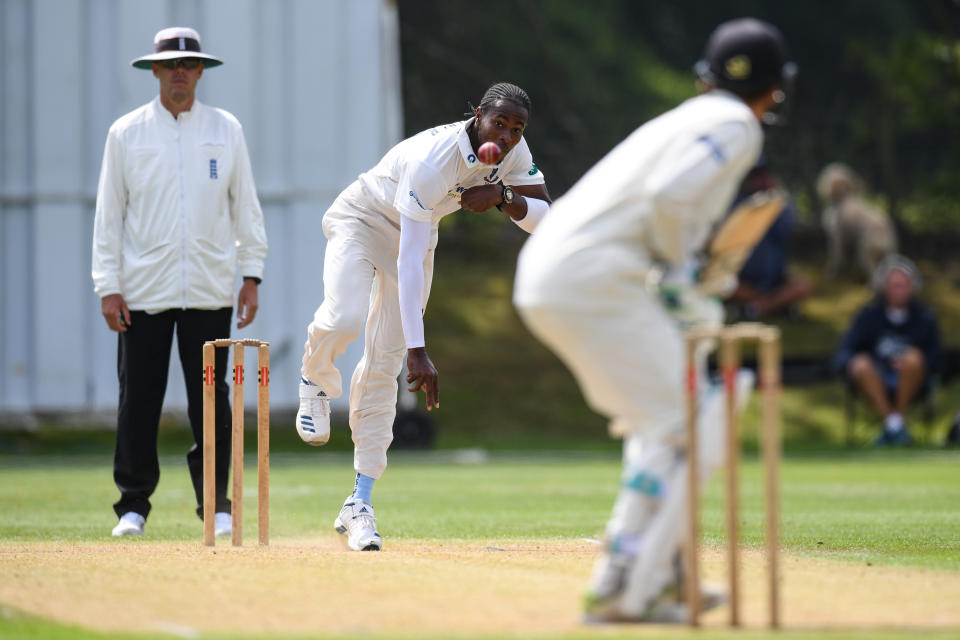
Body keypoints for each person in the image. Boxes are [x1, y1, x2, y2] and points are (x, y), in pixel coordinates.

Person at [514, 18, 794, 622]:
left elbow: (664, 204)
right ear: (774, 89)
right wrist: (678, 270)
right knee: (690, 422)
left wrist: (681, 272)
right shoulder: (735, 124)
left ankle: (655, 575)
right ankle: (625, 587)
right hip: (592, 279)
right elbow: (671, 198)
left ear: (704, 77)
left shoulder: (687, 119)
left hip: (555, 273)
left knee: (663, 426)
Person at [296, 83, 551, 551]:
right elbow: (408, 261)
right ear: (478, 115)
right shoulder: (432, 160)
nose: (508, 135)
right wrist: (421, 349)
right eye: (500, 124)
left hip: (417, 234)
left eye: (517, 128)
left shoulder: (513, 151)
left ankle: (359, 503)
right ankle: (315, 378)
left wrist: (501, 197)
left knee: (383, 363)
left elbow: (544, 217)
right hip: (363, 219)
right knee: (345, 317)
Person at [92, 27, 268, 537]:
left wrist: (251, 275)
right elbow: (109, 215)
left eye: (189, 66)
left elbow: (246, 207)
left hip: (211, 290)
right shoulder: (126, 133)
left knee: (212, 403)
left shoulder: (224, 128)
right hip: (142, 290)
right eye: (171, 66)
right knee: (139, 401)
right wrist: (108, 284)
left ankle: (216, 503)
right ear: (155, 70)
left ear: (200, 71)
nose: (180, 74)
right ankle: (132, 506)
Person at [833, 255, 941, 446]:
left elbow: (936, 357)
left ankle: (892, 425)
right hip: (876, 379)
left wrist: (908, 363)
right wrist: (874, 366)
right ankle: (895, 425)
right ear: (883, 287)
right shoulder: (868, 316)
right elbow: (845, 351)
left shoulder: (924, 318)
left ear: (912, 286)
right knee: (860, 364)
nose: (898, 290)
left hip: (912, 380)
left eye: (903, 285)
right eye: (894, 285)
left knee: (913, 359)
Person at [724, 162, 813, 319]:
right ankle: (774, 307)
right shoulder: (736, 204)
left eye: (763, 176)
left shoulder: (780, 203)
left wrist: (772, 201)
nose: (760, 182)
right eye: (756, 177)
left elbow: (786, 229)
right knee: (727, 286)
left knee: (803, 286)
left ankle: (757, 308)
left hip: (775, 281)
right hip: (744, 280)